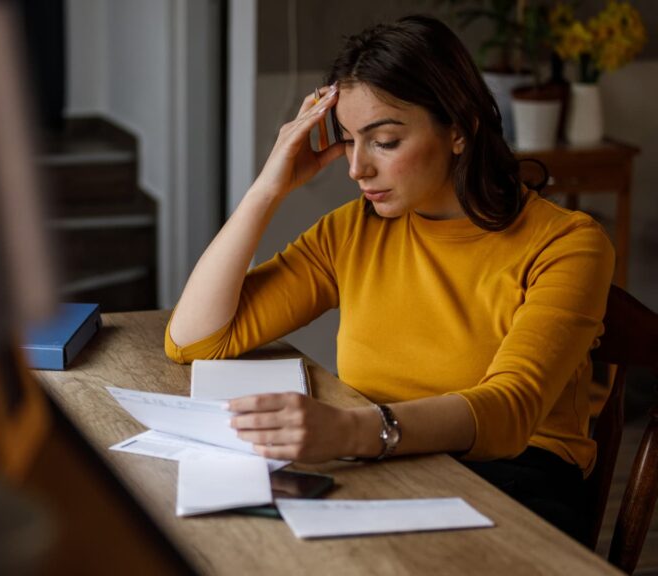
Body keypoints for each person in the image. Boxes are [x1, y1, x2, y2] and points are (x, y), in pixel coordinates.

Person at [164, 15, 613, 545]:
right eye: (349, 141)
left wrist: (351, 430)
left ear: (459, 129)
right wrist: (267, 188)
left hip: (517, 485)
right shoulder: (353, 231)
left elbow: (509, 410)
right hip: (383, 466)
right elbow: (195, 340)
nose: (357, 168)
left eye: (384, 141)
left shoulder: (567, 243)